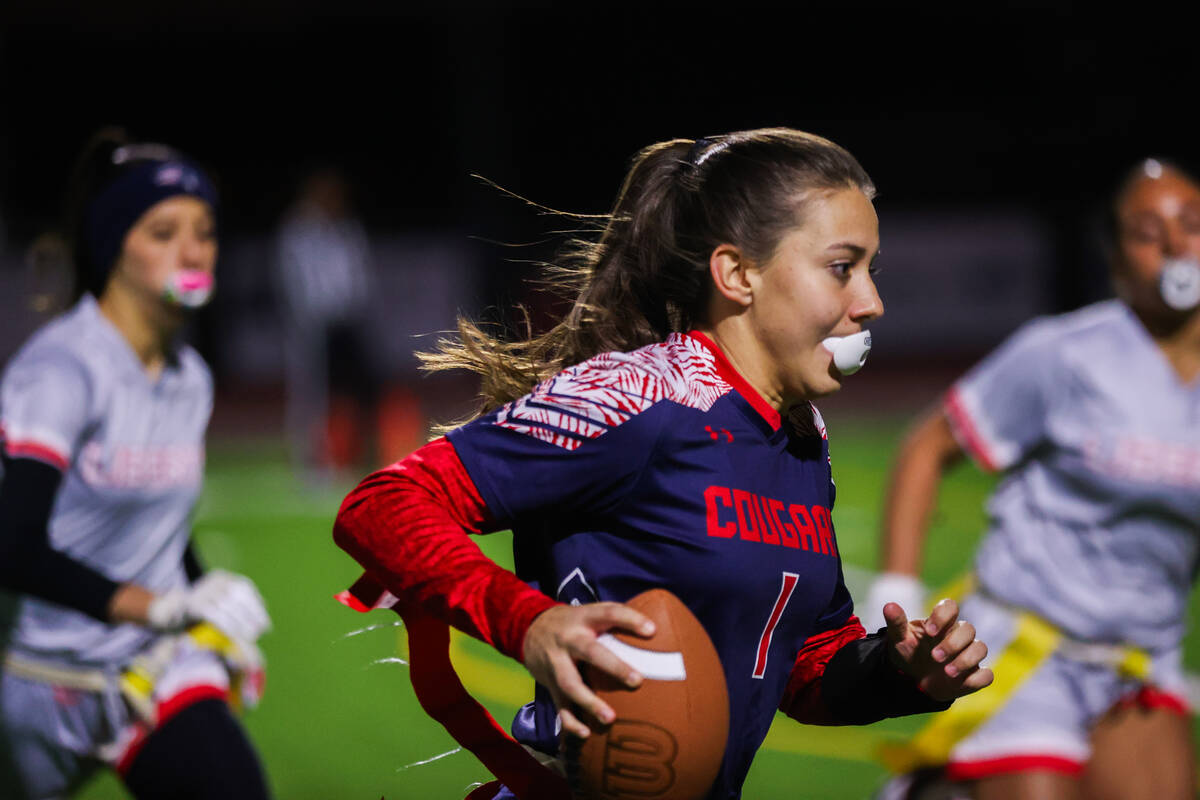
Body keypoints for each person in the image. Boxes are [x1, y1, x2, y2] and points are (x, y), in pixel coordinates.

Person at [332, 127, 995, 800]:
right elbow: (382, 506)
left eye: (870, 270)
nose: (871, 303)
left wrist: (900, 672)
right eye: (841, 267)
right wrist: (525, 621)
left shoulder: (802, 435)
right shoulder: (639, 396)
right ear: (738, 274)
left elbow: (802, 665)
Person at [866, 157, 1200, 800]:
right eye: (1147, 230)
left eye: (1190, 223)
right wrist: (896, 589)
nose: (1175, 245)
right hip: (1026, 651)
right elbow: (927, 445)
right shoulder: (1065, 353)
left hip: (1140, 661)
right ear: (1114, 254)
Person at [0, 131, 273, 799]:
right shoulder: (61, 369)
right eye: (164, 231)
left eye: (204, 231)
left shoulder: (191, 378)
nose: (193, 250)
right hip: (31, 682)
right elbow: (11, 547)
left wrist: (207, 621)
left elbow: (162, 529)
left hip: (146, 671)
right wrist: (161, 607)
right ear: (113, 245)